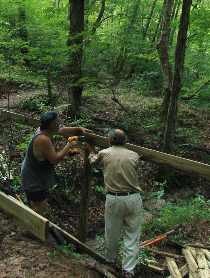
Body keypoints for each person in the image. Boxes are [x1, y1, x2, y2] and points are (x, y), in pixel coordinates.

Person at [85, 129, 142, 277]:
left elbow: (93, 162)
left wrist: (91, 152)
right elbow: (135, 168)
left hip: (114, 198)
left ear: (110, 141)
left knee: (112, 231)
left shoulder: (104, 153)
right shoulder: (134, 155)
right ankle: (129, 270)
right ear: (125, 142)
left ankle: (111, 261)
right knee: (132, 234)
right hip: (133, 198)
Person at [20, 110, 91, 216]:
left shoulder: (44, 130)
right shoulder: (43, 139)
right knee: (41, 204)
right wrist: (68, 146)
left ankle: (33, 223)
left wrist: (78, 129)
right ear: (51, 125)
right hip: (32, 177)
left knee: (35, 202)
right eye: (58, 122)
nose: (59, 124)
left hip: (33, 174)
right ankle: (31, 226)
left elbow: (62, 130)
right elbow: (54, 160)